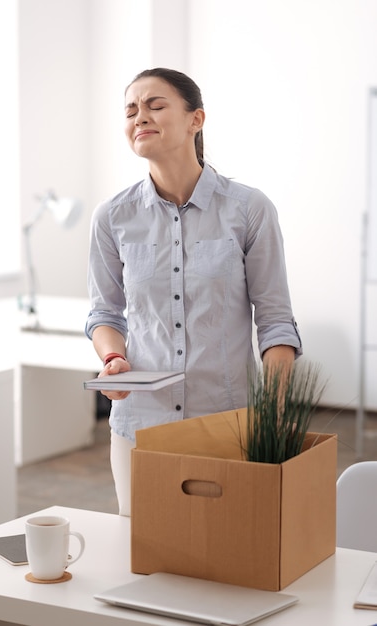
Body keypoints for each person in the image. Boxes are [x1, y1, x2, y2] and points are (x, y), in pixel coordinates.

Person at [85, 67, 302, 516]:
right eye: (130, 109)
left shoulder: (249, 210)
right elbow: (105, 314)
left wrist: (274, 412)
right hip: (140, 429)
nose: (139, 116)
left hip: (227, 426)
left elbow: (276, 322)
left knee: (229, 558)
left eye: (155, 105)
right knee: (144, 558)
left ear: (195, 120)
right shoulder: (112, 217)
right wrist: (113, 359)